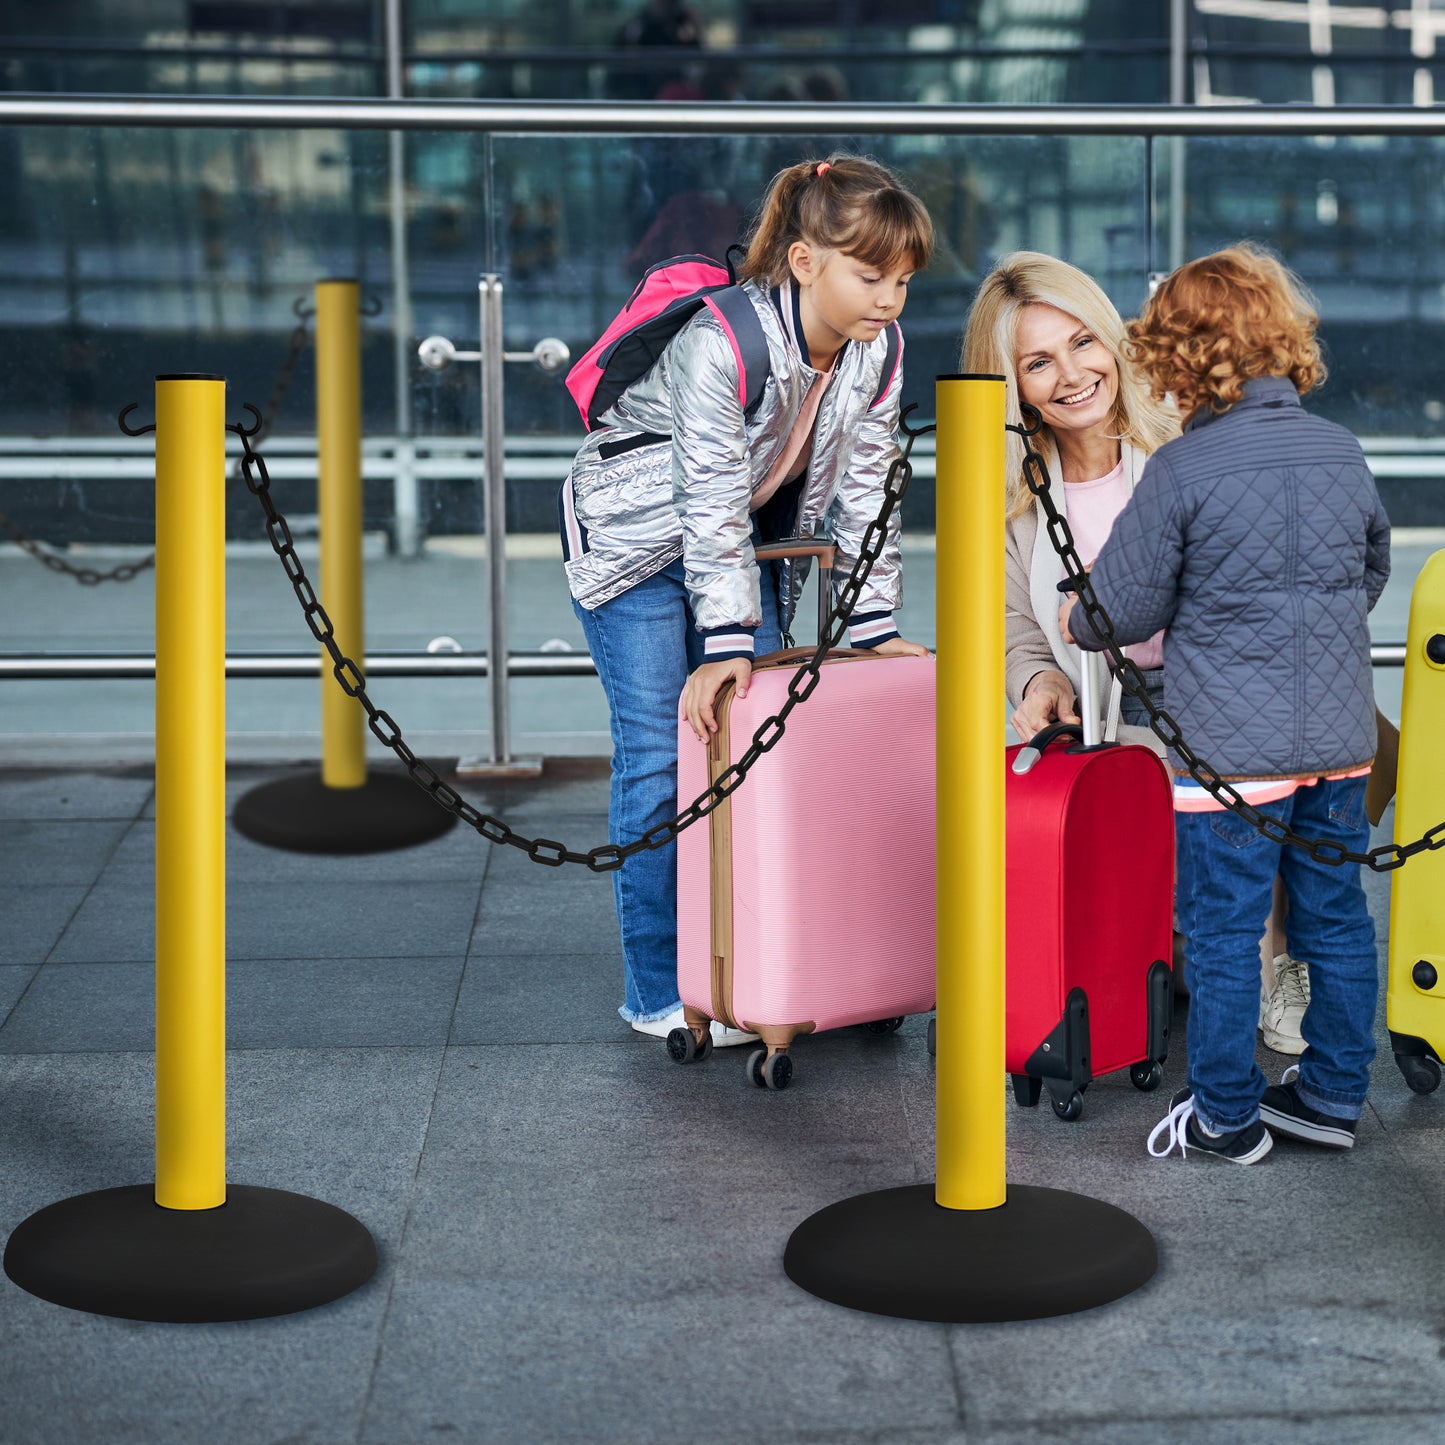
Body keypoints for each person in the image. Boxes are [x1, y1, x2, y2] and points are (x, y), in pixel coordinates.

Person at [560, 155, 934, 1042]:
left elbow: (872, 485)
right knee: (660, 757)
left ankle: (754, 965)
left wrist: (872, 625)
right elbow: (710, 492)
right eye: (870, 275)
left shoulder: (877, 351)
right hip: (633, 549)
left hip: (736, 546)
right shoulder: (719, 341)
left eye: (904, 282)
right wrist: (729, 641)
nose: (888, 298)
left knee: (753, 757)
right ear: (804, 262)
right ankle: (658, 986)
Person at [1059, 243, 1389, 1164]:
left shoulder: (1181, 472)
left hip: (1225, 756)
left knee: (1221, 927)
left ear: (1176, 357)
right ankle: (1328, 1097)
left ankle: (1225, 1115)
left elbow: (1121, 610)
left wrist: (1073, 617)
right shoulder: (1338, 448)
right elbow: (1367, 570)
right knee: (1334, 916)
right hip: (1337, 738)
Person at [961, 252, 1310, 1041]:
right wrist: (1034, 677)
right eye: (1038, 362)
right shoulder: (1013, 495)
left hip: (1216, 698)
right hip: (1104, 715)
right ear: (1011, 384)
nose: (1073, 374)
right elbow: (1015, 622)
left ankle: (1285, 955)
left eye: (1084, 342)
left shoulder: (1191, 439)